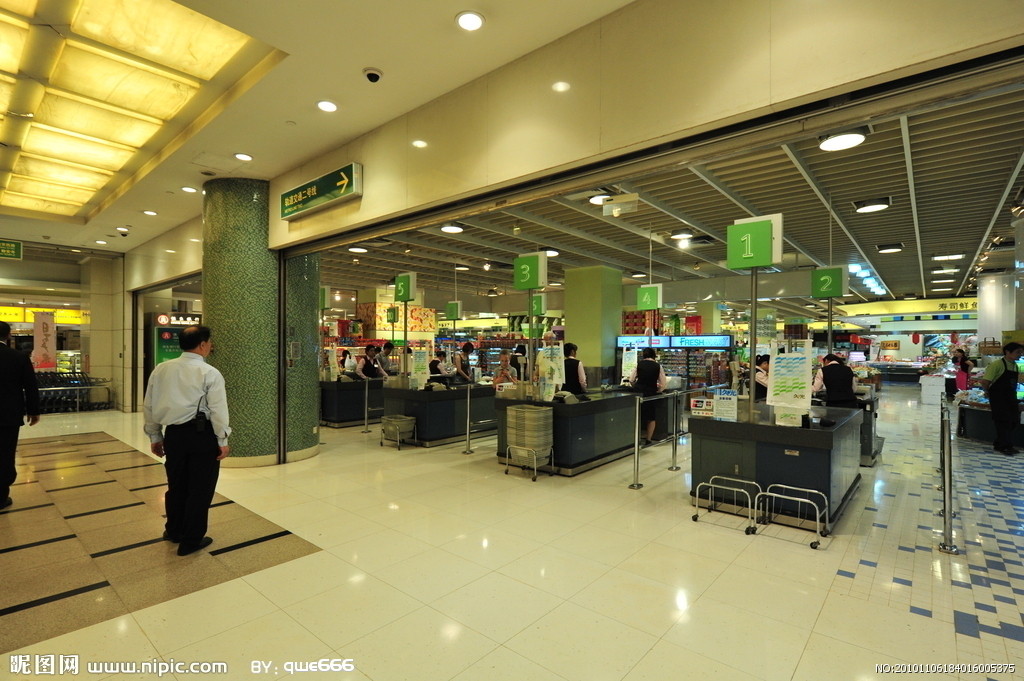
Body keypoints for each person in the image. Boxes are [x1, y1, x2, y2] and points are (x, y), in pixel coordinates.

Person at [143, 325, 230, 556]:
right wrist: (222, 440)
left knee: (176, 485)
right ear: (202, 344)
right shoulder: (209, 373)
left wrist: (155, 435)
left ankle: (174, 530)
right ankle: (191, 540)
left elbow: (149, 405)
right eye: (209, 342)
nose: (210, 346)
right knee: (200, 489)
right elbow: (218, 410)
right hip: (201, 436)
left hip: (173, 435)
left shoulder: (161, 369)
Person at [0, 321, 40, 510]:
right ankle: (1, 496)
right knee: (5, 454)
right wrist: (33, 411)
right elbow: (30, 386)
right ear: (8, 335)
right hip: (8, 415)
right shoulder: (18, 357)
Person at [979, 342, 1024, 455]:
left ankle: (1000, 443)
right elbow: (985, 381)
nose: (1020, 354)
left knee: (1013, 421)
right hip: (999, 398)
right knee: (1003, 422)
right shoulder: (997, 365)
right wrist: (988, 392)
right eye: (1018, 352)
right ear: (1007, 352)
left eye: (1021, 352)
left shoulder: (1015, 365)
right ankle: (1004, 446)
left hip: (1011, 397)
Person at [630, 347, 667, 445]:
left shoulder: (639, 364)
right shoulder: (658, 366)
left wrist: (635, 386)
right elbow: (663, 384)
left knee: (638, 415)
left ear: (644, 355)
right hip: (651, 394)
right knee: (651, 417)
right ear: (654, 355)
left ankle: (635, 438)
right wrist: (658, 390)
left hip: (638, 393)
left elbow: (631, 379)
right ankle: (648, 439)